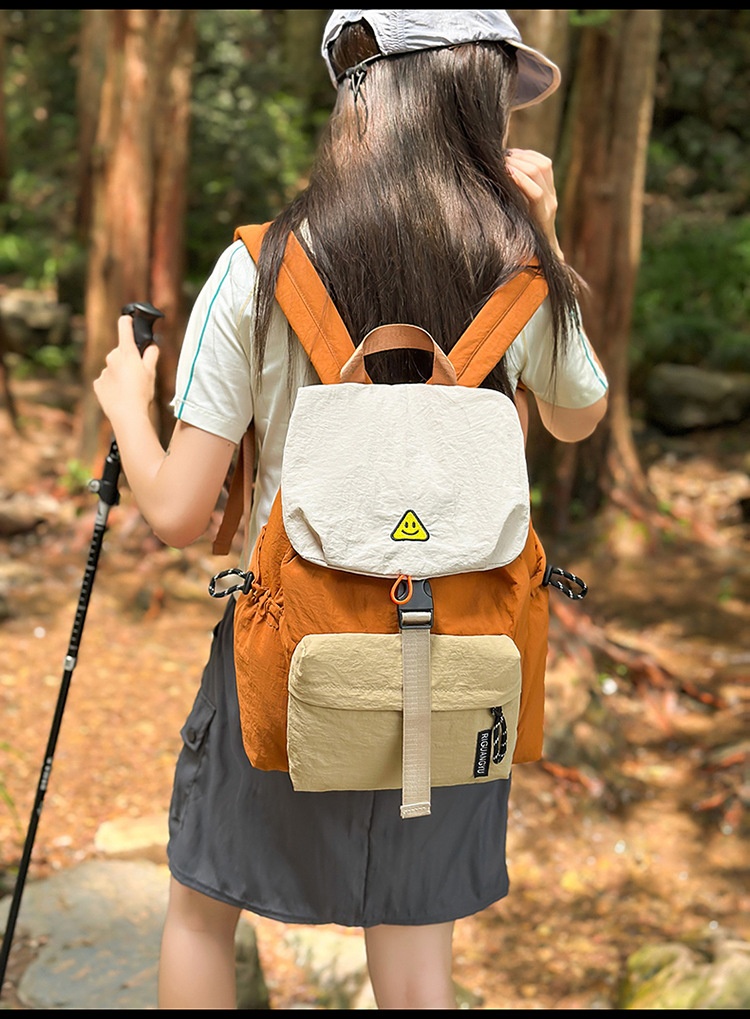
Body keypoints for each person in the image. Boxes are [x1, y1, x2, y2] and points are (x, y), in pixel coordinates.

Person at [93, 10, 609, 1010]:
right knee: (417, 962)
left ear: (357, 91)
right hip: (459, 653)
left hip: (287, 651)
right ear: (465, 101)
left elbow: (177, 507)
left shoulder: (260, 265)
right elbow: (579, 415)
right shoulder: (517, 264)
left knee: (204, 905)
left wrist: (125, 404)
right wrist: (542, 240)